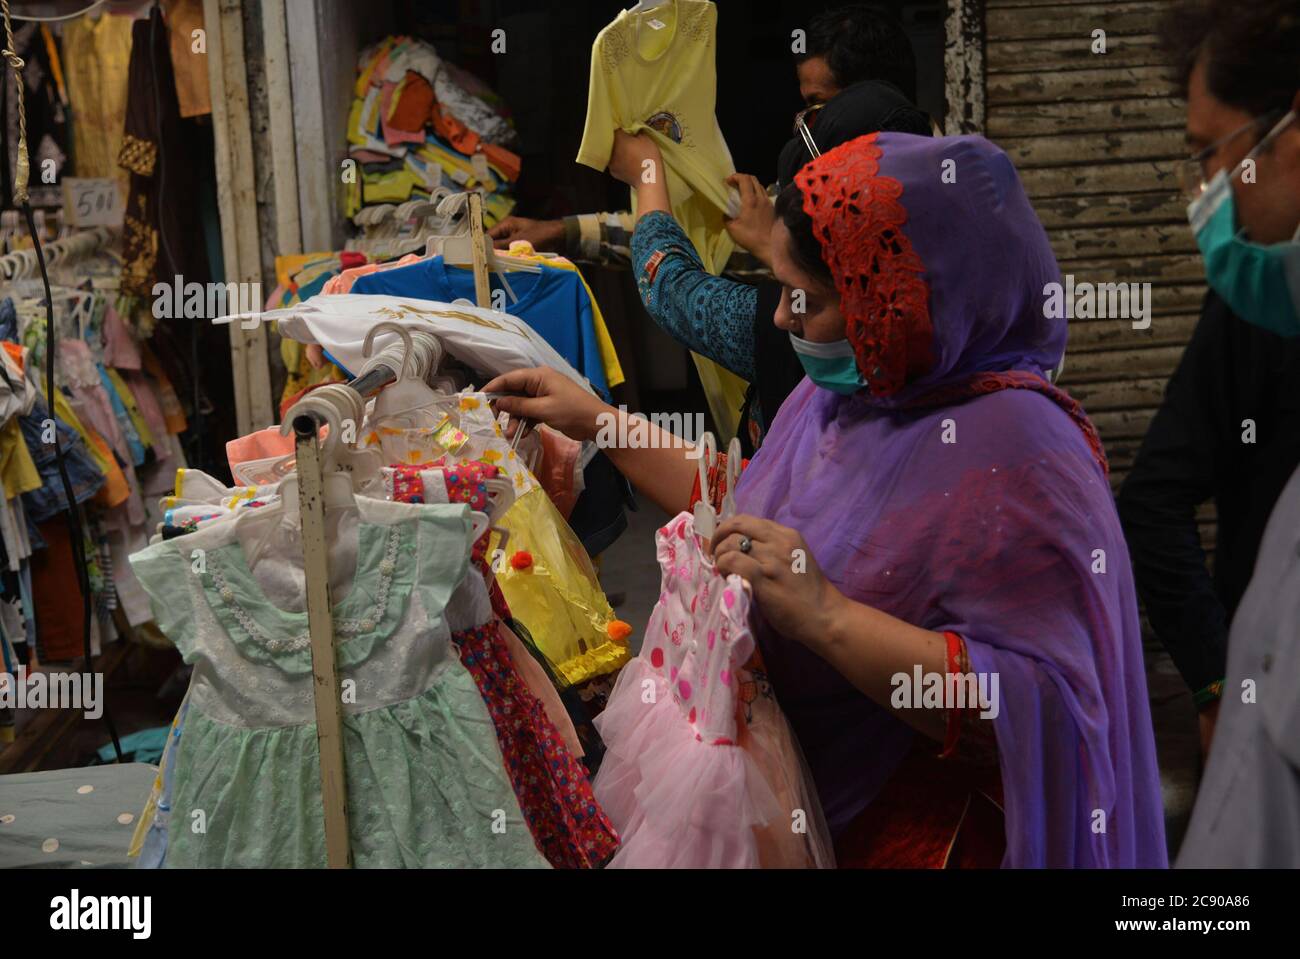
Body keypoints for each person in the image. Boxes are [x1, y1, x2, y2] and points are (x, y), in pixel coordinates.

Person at [485, 132, 1168, 867]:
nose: (780, 318)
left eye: (803, 297)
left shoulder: (1021, 456)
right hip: (805, 805)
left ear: (894, 298)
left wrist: (829, 617)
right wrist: (594, 420)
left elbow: (1046, 705)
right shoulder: (846, 393)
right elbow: (751, 504)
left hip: (930, 834)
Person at [1115, 0, 1300, 764]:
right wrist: (1224, 683)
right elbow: (1153, 498)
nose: (1205, 194)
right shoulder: (1259, 305)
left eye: (1210, 153)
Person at [609, 80, 931, 454]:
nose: (783, 316)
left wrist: (648, 173)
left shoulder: (813, 342)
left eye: (804, 296)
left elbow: (671, 286)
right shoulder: (955, 297)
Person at [488, 3, 919, 269]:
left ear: (869, 100)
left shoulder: (907, 206)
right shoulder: (811, 189)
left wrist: (648, 176)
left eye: (820, 106)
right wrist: (560, 232)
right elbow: (696, 233)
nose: (806, 124)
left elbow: (683, 279)